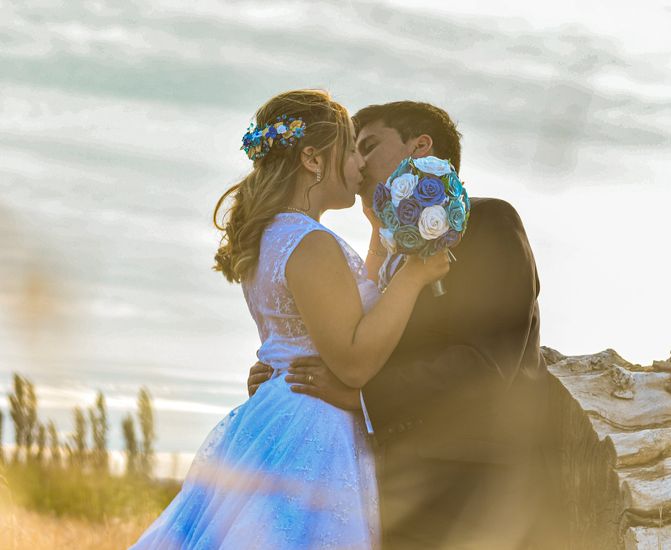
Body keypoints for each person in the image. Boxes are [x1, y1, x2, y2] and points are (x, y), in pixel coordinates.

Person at [132, 90, 449, 549]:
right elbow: (354, 363)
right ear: (313, 160)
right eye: (351, 150)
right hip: (315, 429)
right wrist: (415, 277)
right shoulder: (310, 242)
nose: (360, 165)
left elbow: (316, 326)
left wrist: (379, 231)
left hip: (277, 415)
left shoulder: (274, 238)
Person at [248, 101, 550, 549]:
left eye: (368, 145)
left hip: (472, 495)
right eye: (353, 150)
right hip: (385, 492)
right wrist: (287, 374)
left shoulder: (488, 222)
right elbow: (358, 341)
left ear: (420, 147)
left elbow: (486, 364)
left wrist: (361, 397)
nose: (359, 162)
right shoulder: (379, 250)